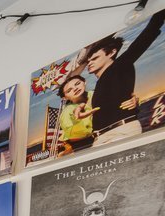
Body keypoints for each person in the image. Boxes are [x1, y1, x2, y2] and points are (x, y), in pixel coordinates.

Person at [84, 10, 165, 146]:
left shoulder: (120, 65)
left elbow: (144, 38)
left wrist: (159, 12)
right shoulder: (99, 84)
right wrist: (135, 104)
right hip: (100, 138)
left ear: (112, 53)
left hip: (120, 132)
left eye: (95, 58)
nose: (90, 62)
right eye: (89, 60)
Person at [56, 74, 97, 154]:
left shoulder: (96, 93)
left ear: (84, 82)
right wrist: (77, 119)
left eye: (77, 84)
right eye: (69, 90)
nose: (75, 89)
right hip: (82, 145)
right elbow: (75, 134)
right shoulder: (67, 112)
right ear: (65, 97)